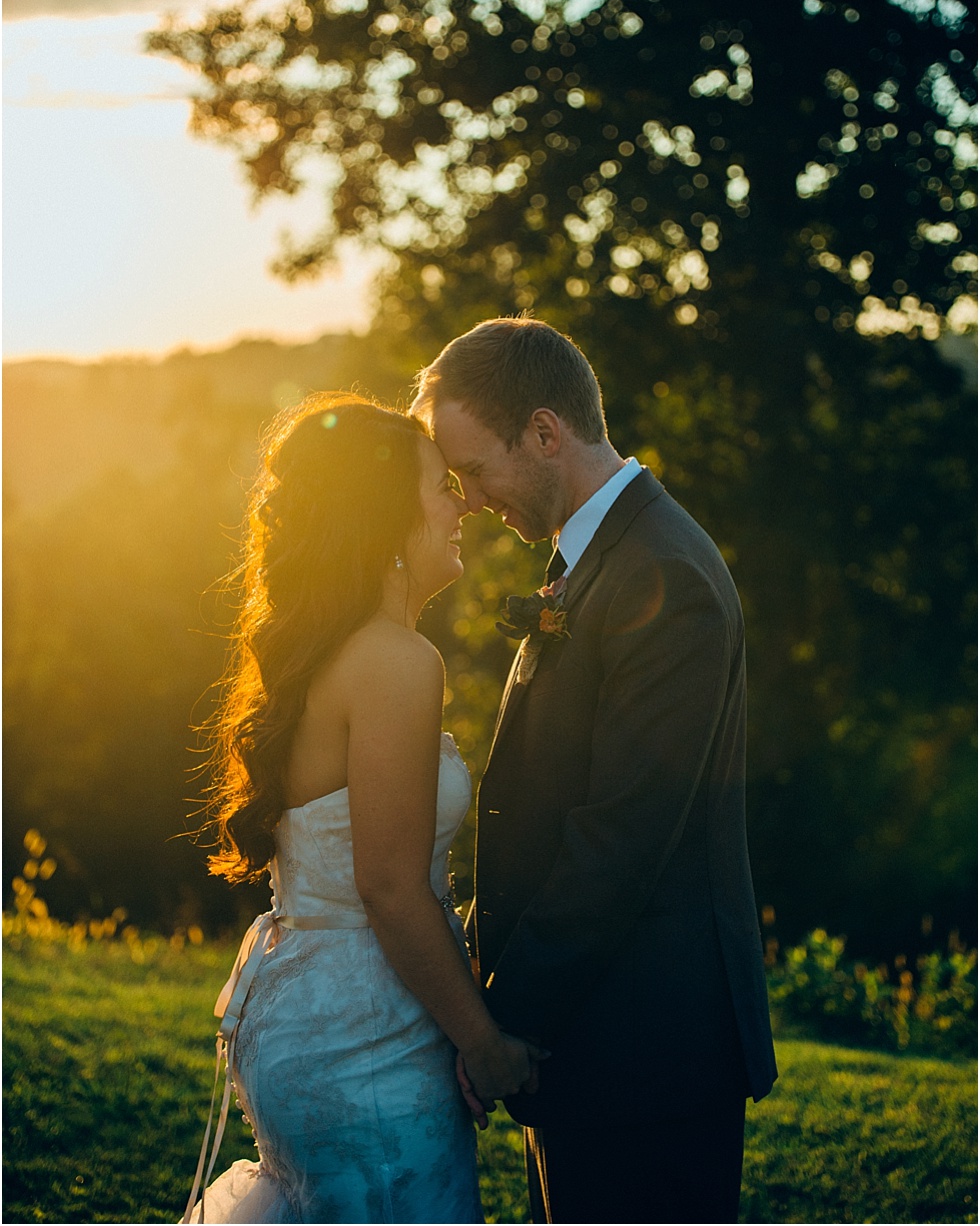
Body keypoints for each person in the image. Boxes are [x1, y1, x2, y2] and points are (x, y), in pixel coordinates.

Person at [412, 317, 778, 1226]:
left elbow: (619, 836)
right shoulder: (596, 561)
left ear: (545, 434)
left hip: (649, 1047)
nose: (468, 497)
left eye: (473, 468)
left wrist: (505, 1022)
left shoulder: (667, 575)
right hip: (598, 1032)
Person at [180, 391, 537, 1226]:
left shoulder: (326, 654)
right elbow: (389, 884)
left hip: (309, 1002)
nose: (462, 504)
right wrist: (482, 1044)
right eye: (440, 485)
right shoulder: (396, 662)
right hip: (366, 1032)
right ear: (385, 516)